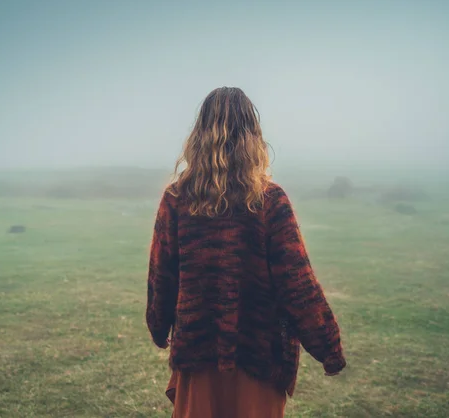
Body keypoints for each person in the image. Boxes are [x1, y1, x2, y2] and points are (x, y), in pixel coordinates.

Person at [146, 87, 346, 418]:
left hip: (197, 356)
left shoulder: (177, 198)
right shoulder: (270, 200)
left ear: (199, 135)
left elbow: (160, 275)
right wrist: (329, 347)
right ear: (252, 137)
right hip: (259, 358)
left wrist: (158, 324)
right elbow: (297, 284)